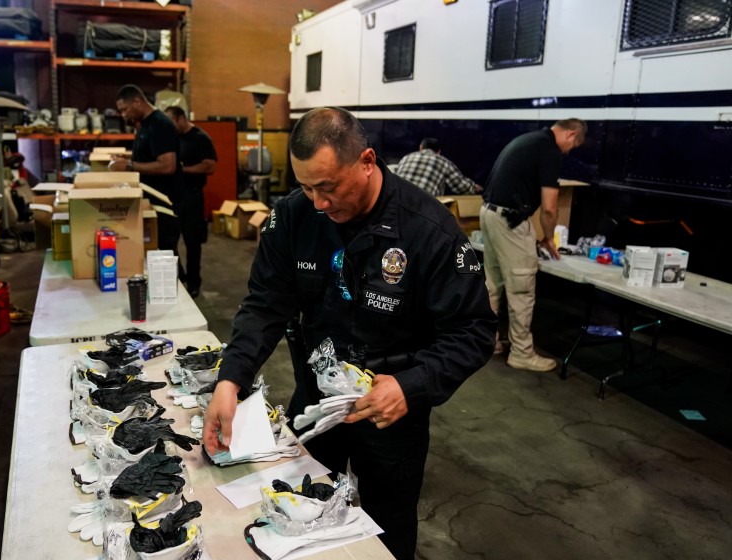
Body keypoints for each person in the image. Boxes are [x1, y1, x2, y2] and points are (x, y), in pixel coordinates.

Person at [203, 107, 496, 559]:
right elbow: (265, 305)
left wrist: (410, 386)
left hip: (391, 410)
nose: (318, 202)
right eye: (305, 186)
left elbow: (474, 331)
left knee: (387, 528)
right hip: (317, 402)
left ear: (367, 161)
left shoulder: (428, 231)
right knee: (299, 512)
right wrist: (230, 378)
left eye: (328, 186)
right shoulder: (295, 218)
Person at [479, 118, 587, 371]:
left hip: (489, 213)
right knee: (521, 287)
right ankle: (522, 353)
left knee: (492, 285)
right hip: (510, 220)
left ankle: (485, 343)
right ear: (571, 135)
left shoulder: (528, 140)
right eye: (574, 146)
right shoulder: (550, 151)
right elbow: (549, 208)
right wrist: (548, 238)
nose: (569, 151)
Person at [110, 84, 179, 252]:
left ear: (137, 101)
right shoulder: (144, 124)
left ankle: (179, 279)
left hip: (164, 203)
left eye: (126, 110)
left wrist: (128, 166)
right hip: (150, 200)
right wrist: (126, 159)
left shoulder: (160, 125)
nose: (124, 115)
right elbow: (149, 154)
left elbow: (168, 166)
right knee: (156, 252)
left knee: (166, 253)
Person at [164, 106, 217, 298]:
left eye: (171, 122)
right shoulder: (172, 137)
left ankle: (194, 282)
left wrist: (181, 170)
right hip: (173, 196)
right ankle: (180, 276)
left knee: (193, 242)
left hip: (192, 197)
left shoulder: (200, 138)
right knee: (169, 240)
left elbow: (210, 166)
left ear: (180, 118)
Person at [394, 137, 481, 196]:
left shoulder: (407, 157)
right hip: (421, 206)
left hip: (397, 201)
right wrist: (475, 188)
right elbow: (461, 186)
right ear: (438, 152)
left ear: (421, 147)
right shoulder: (443, 161)